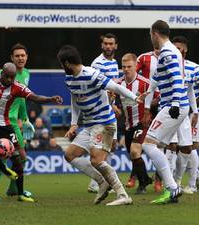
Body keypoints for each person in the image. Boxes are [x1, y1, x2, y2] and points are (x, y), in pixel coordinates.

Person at [58, 45, 147, 206]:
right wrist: (73, 124)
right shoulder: (69, 79)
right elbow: (75, 100)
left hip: (104, 122)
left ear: (67, 63)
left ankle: (123, 195)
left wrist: (135, 98)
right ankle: (102, 181)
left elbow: (115, 87)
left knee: (96, 160)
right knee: (70, 155)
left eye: (62, 64)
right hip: (90, 125)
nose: (62, 67)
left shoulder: (91, 74)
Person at [0, 62, 62, 202]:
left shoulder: (18, 86)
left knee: (19, 159)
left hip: (6, 124)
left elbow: (34, 97)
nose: (9, 80)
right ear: (1, 73)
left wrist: (50, 99)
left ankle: (19, 192)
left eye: (12, 78)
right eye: (7, 77)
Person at [142, 20, 197, 204]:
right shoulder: (170, 51)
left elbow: (176, 79)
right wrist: (144, 95)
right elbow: (156, 79)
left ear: (155, 33)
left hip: (173, 106)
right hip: (174, 105)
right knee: (161, 147)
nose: (150, 38)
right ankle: (172, 188)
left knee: (148, 145)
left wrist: (174, 103)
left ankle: (172, 187)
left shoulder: (167, 52)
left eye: (150, 34)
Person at [0, 43, 36, 200]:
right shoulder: (2, 75)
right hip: (3, 121)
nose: (20, 58)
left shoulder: (26, 73)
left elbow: (22, 99)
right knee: (5, 154)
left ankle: (13, 189)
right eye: (17, 56)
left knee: (20, 157)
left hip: (14, 121)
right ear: (11, 58)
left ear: (27, 57)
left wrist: (25, 118)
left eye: (23, 55)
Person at [171, 35, 199, 193]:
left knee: (191, 145)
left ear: (185, 51)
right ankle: (197, 176)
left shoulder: (194, 68)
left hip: (195, 111)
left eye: (179, 49)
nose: (176, 51)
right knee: (179, 146)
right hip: (178, 111)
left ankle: (193, 184)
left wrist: (190, 109)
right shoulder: (170, 67)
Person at [88, 33, 121, 193]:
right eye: (106, 43)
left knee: (111, 146)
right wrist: (109, 104)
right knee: (102, 146)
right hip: (101, 111)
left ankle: (97, 182)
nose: (108, 46)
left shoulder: (114, 63)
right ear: (102, 45)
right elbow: (95, 88)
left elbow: (112, 87)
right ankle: (97, 182)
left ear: (116, 46)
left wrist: (113, 104)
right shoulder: (97, 63)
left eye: (111, 44)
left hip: (110, 109)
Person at [127, 48, 163, 192]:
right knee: (136, 146)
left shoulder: (172, 56)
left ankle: (158, 179)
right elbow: (134, 74)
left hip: (162, 103)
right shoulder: (144, 58)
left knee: (159, 145)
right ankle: (136, 176)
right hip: (146, 102)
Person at [117, 53, 153, 194]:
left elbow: (157, 99)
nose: (126, 69)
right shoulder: (118, 84)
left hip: (142, 124)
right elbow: (111, 98)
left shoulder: (145, 83)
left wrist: (148, 112)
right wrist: (113, 104)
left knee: (134, 151)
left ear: (136, 67)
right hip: (128, 125)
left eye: (129, 66)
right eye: (124, 67)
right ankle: (145, 179)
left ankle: (143, 184)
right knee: (133, 156)